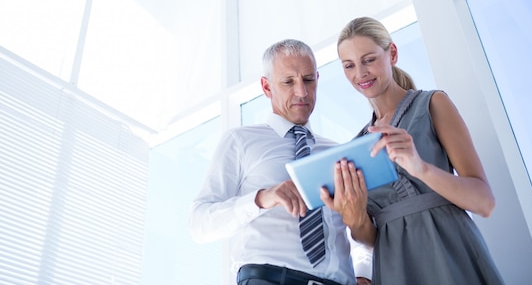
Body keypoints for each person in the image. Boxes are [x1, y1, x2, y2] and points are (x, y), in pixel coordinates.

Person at [321, 16, 505, 284]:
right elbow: (369, 238)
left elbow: (484, 202)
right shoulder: (356, 147)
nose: (359, 73)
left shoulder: (432, 104)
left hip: (450, 251)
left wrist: (421, 168)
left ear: (392, 53)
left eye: (369, 59)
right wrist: (354, 217)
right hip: (394, 266)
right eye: (349, 65)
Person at [188, 39, 372, 285]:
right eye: (288, 82)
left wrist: (364, 274)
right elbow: (200, 223)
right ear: (266, 87)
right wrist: (262, 198)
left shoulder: (338, 153)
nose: (302, 92)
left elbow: (363, 229)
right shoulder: (240, 141)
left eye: (308, 80)